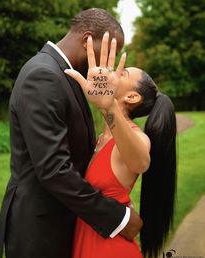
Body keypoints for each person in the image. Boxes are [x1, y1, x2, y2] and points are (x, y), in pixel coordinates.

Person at [0, 8, 143, 258]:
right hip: (40, 233)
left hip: (60, 225)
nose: (109, 63)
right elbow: (54, 169)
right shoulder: (43, 76)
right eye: (109, 51)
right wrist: (117, 216)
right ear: (87, 40)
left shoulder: (64, 75)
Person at [65, 32, 177, 258]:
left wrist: (109, 107)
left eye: (122, 73)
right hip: (90, 239)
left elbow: (141, 162)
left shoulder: (138, 138)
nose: (113, 73)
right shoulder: (100, 138)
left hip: (109, 249)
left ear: (132, 98)